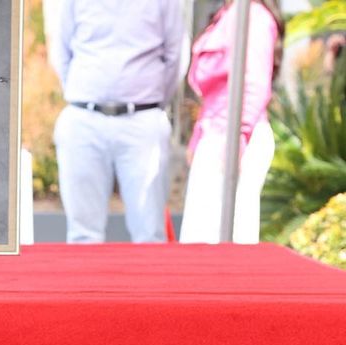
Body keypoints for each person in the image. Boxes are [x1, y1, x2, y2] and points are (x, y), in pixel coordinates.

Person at [52, 0, 184, 243]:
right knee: (82, 234)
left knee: (150, 233)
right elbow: (60, 50)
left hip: (143, 120)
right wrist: (83, 93)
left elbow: (175, 56)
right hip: (83, 117)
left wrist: (151, 102)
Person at [180, 1, 283, 244]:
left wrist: (238, 136)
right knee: (200, 235)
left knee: (234, 236)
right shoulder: (227, 14)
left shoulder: (254, 16)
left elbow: (255, 82)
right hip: (216, 131)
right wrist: (197, 139)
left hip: (236, 135)